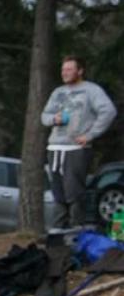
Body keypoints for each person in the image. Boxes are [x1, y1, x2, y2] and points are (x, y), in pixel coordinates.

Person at [40, 55, 117, 229]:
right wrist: (54, 119)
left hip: (76, 148)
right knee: (58, 192)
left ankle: (76, 231)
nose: (65, 73)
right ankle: (57, 233)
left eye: (69, 69)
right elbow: (44, 116)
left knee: (74, 192)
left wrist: (90, 135)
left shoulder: (91, 90)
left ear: (80, 71)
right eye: (63, 70)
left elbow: (109, 112)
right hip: (54, 147)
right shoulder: (57, 92)